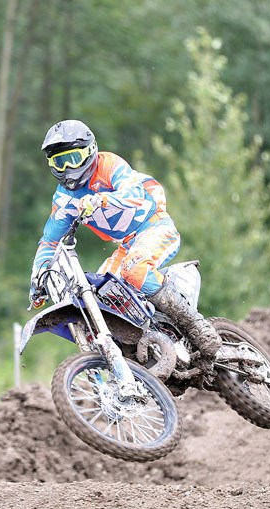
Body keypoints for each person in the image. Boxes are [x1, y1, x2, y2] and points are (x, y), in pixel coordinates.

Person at [29, 119, 221, 361]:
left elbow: (133, 193)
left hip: (154, 226)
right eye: (59, 161)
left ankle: (195, 325)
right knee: (99, 295)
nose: (67, 167)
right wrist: (38, 278)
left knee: (135, 270)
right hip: (127, 244)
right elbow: (49, 242)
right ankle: (140, 351)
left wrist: (102, 199)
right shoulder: (64, 199)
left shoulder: (109, 165)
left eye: (73, 158)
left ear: (90, 152)